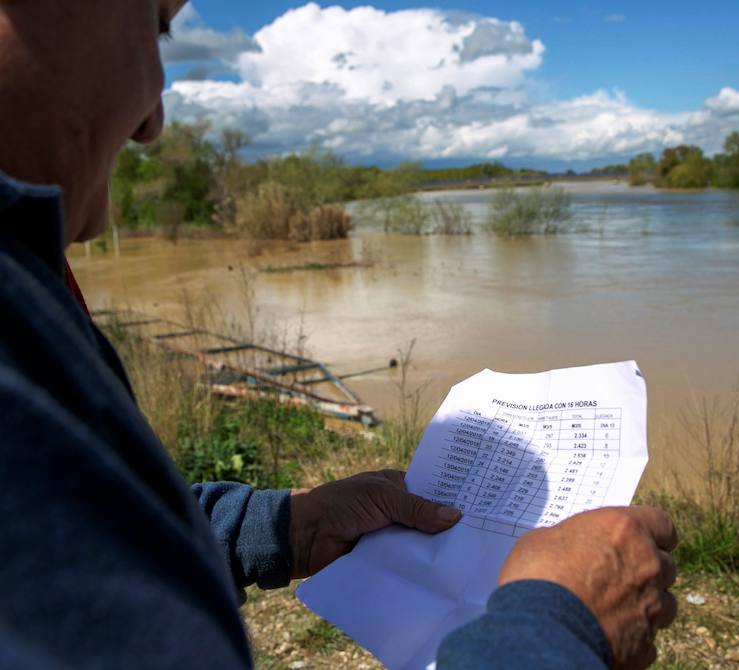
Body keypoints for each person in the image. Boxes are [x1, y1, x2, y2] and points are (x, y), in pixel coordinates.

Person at [0, 2, 677, 668]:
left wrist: (284, 528)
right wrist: (556, 627)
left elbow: (85, 542)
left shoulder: (30, 280)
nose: (154, 120)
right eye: (156, 23)